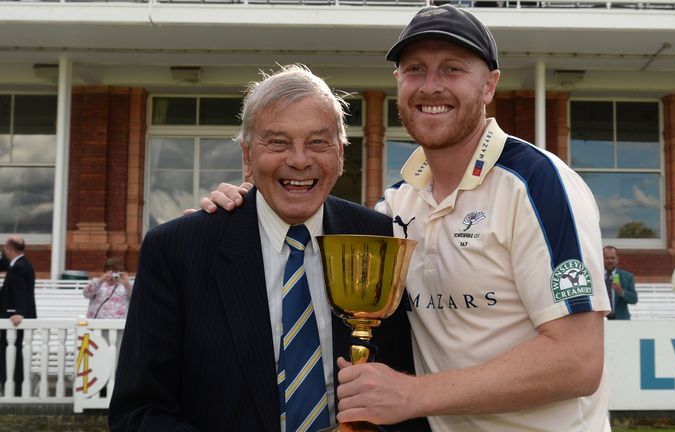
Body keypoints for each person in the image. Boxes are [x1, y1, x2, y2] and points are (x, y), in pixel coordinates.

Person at [203, 5, 611, 431]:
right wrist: (246, 205)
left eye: (452, 69)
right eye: (415, 69)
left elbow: (578, 361)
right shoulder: (396, 205)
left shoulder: (538, 184)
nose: (431, 87)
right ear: (398, 82)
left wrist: (414, 395)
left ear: (490, 85)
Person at [109, 64, 428, 431]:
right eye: (277, 142)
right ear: (247, 156)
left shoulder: (379, 238)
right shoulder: (178, 250)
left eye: (318, 142)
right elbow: (139, 412)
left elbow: (406, 389)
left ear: (340, 155)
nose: (299, 160)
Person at [0, 235, 37, 396]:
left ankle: (14, 389)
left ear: (9, 249)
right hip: (14, 316)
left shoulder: (19, 267)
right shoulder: (21, 263)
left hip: (14, 319)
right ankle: (12, 387)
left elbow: (22, 292)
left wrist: (19, 313)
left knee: (11, 354)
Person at [603, 245, 638, 320]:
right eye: (607, 258)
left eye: (612, 258)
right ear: (601, 259)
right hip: (600, 320)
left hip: (620, 319)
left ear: (617, 259)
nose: (610, 260)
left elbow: (634, 299)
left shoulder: (627, 277)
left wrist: (621, 291)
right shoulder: (596, 277)